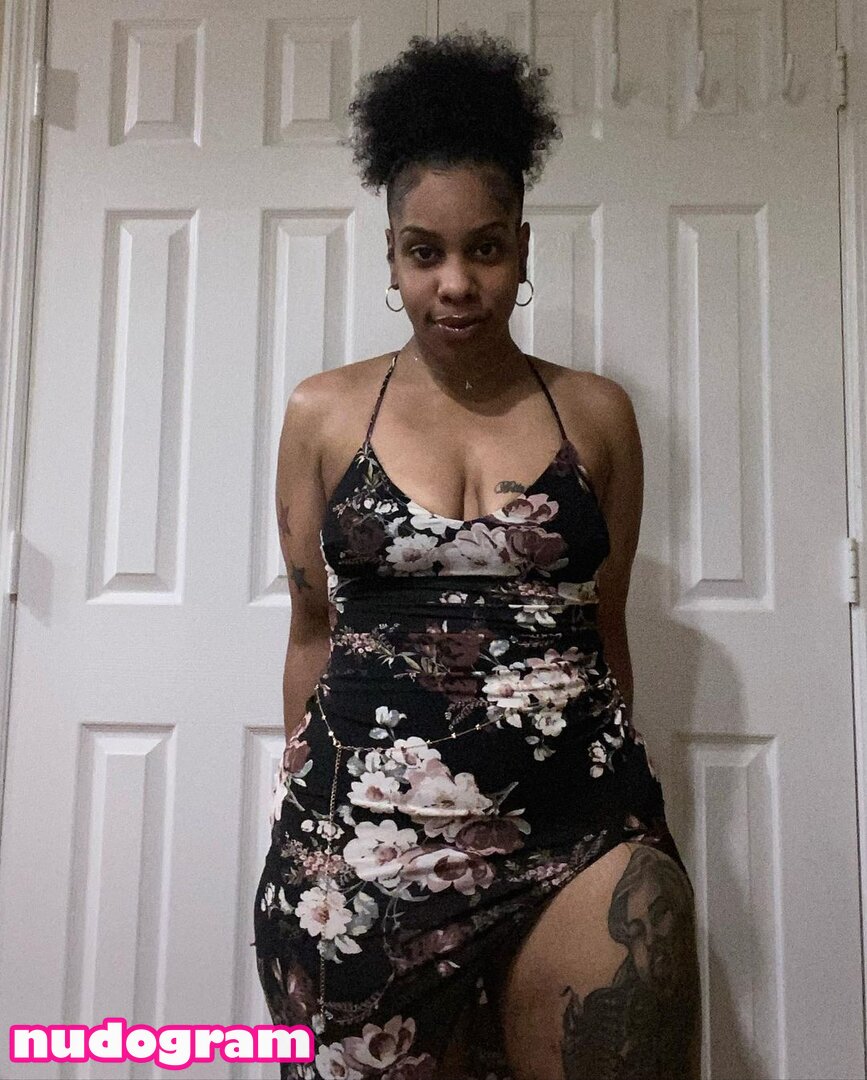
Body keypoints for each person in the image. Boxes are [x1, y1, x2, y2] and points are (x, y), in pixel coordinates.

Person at [254, 28, 700, 1080]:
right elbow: (312, 628)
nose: (455, 282)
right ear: (392, 256)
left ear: (524, 248)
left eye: (485, 249)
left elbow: (606, 620)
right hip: (363, 837)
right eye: (425, 252)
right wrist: (304, 802)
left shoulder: (598, 414)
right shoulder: (323, 413)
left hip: (579, 825)